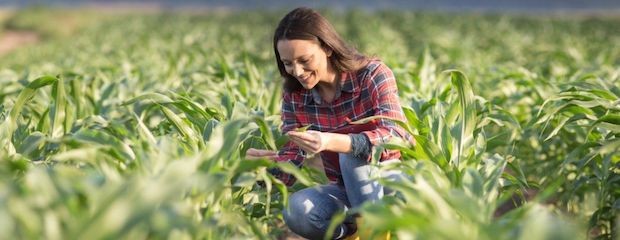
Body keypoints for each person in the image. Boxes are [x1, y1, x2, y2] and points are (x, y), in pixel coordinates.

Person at [245, 7, 413, 240]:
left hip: (393, 182)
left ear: (327, 47)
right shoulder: (296, 97)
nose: (298, 72)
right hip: (347, 190)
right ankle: (354, 234)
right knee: (297, 210)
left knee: (349, 152)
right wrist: (256, 168)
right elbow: (292, 162)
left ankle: (374, 233)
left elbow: (397, 134)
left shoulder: (372, 74)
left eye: (304, 60)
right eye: (288, 63)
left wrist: (332, 141)